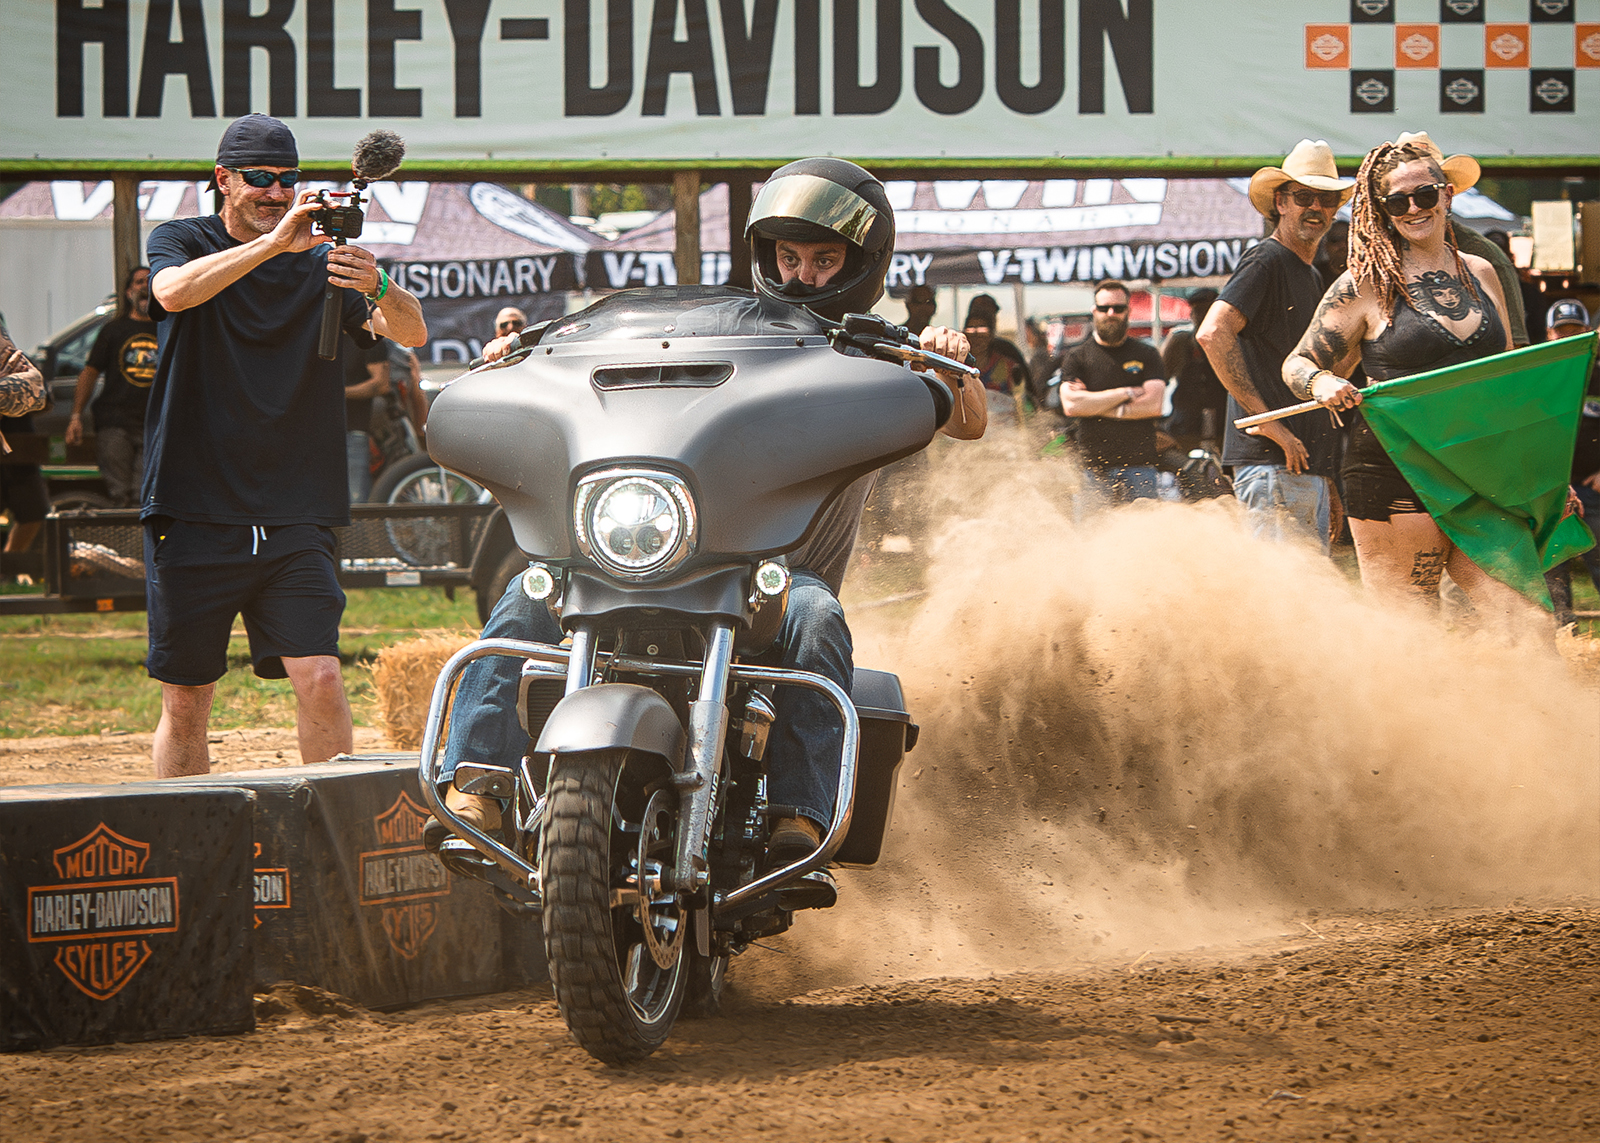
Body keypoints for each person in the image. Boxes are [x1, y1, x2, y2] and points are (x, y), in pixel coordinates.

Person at [428, 157, 986, 876]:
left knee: (817, 619)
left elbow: (968, 421)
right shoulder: (728, 330)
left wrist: (948, 363)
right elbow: (592, 355)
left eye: (823, 259)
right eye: (788, 255)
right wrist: (518, 353)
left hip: (774, 577)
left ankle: (801, 815)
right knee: (524, 595)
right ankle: (477, 783)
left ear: (861, 263)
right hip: (645, 554)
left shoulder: (871, 350)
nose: (801, 275)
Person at [142, 113, 426, 778]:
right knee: (187, 701)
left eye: (288, 179)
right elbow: (171, 293)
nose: (276, 191)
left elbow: (408, 333)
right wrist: (276, 243)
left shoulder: (322, 262)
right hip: (195, 505)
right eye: (261, 178)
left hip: (297, 505)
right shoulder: (183, 238)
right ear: (223, 179)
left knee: (322, 676)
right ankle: (190, 850)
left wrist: (377, 284)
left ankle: (331, 850)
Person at [1282, 135, 1534, 629]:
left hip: (1478, 467)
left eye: (1424, 194)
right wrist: (1321, 383)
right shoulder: (1365, 284)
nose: (1414, 208)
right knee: (1409, 634)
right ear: (1383, 211)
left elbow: (1508, 381)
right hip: (1396, 468)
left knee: (1524, 621)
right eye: (1397, 201)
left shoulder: (1483, 272)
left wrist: (1543, 474)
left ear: (1447, 194)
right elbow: (1297, 364)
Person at [1198, 139, 1352, 552]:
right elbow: (1213, 333)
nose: (1316, 208)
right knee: (1283, 606)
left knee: (1302, 601)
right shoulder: (1266, 260)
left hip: (1297, 468)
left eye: (1326, 199)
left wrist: (1326, 479)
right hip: (1271, 464)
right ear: (1281, 202)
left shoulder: (1311, 275)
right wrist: (1266, 422)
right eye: (1304, 197)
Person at [1058, 280, 1167, 503]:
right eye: (1103, 308)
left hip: (1140, 466)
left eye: (1118, 308)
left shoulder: (1147, 354)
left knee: (1146, 536)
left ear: (1128, 311)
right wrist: (1126, 393)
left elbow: (1153, 405)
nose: (1111, 313)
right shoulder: (1077, 356)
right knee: (1093, 536)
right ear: (1093, 311)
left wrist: (1094, 407)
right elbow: (1071, 405)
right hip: (1093, 469)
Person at [65, 267, 157, 506]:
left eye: (150, 281)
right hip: (115, 423)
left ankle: (141, 543)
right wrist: (75, 416)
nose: (145, 286)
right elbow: (89, 372)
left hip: (154, 423)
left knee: (146, 496)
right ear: (129, 292)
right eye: (139, 282)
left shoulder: (167, 329)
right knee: (119, 494)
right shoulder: (113, 330)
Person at [1542, 300, 1600, 624]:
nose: (1570, 337)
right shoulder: (1539, 379)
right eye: (1562, 332)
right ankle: (1564, 636)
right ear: (1549, 334)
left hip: (1594, 490)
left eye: (1576, 331)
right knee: (1552, 566)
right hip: (1551, 489)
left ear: (1589, 332)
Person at [0, 320, 49, 561]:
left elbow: (41, 397)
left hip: (20, 454)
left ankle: (7, 567)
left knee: (33, 513)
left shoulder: (18, 360)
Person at [1161, 287, 1226, 452]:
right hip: (1185, 425)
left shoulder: (1231, 342)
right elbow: (1159, 380)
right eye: (1198, 312)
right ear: (1191, 315)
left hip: (1223, 425)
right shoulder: (1181, 341)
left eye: (1208, 312)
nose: (1203, 317)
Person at [343, 337, 392, 503]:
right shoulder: (319, 334)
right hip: (317, 430)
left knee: (356, 501)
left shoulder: (368, 338)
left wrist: (337, 393)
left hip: (354, 430)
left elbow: (381, 384)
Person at [964, 308, 1032, 421]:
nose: (977, 338)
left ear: (991, 335)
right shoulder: (954, 366)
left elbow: (1021, 401)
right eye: (971, 331)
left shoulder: (1009, 366)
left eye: (982, 332)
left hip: (1004, 430)